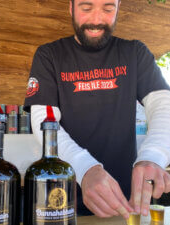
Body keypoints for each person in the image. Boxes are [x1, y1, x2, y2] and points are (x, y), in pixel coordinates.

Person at [24, 0, 170, 219]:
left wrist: (152, 156)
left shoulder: (134, 52)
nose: (96, 19)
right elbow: (44, 121)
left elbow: (163, 104)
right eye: (86, 8)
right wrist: (85, 169)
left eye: (108, 9)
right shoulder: (50, 55)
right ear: (71, 8)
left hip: (124, 203)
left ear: (119, 8)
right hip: (62, 199)